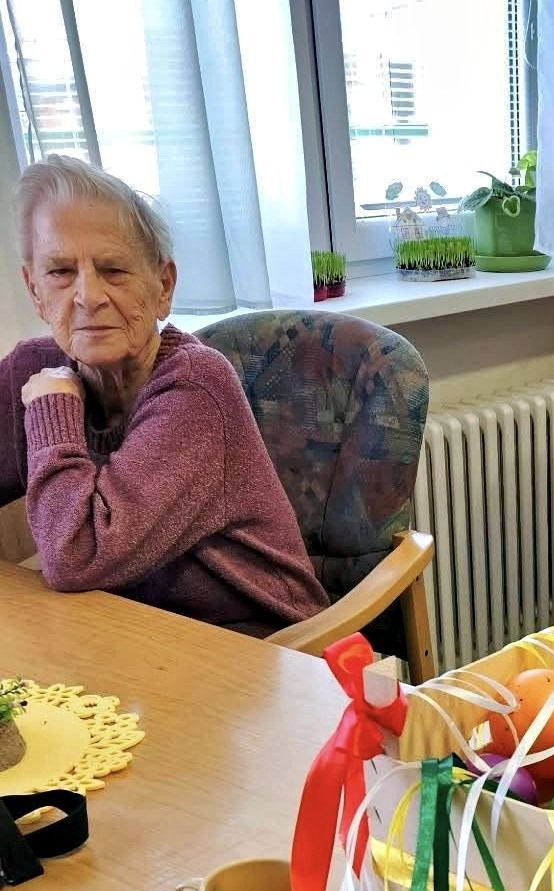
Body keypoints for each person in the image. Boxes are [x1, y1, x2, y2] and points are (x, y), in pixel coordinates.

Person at [0, 155, 328, 633]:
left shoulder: (195, 387)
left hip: (262, 644)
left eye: (113, 270)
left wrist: (53, 410)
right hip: (131, 630)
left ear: (163, 286)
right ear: (34, 290)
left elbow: (78, 556)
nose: (88, 296)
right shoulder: (31, 369)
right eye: (61, 272)